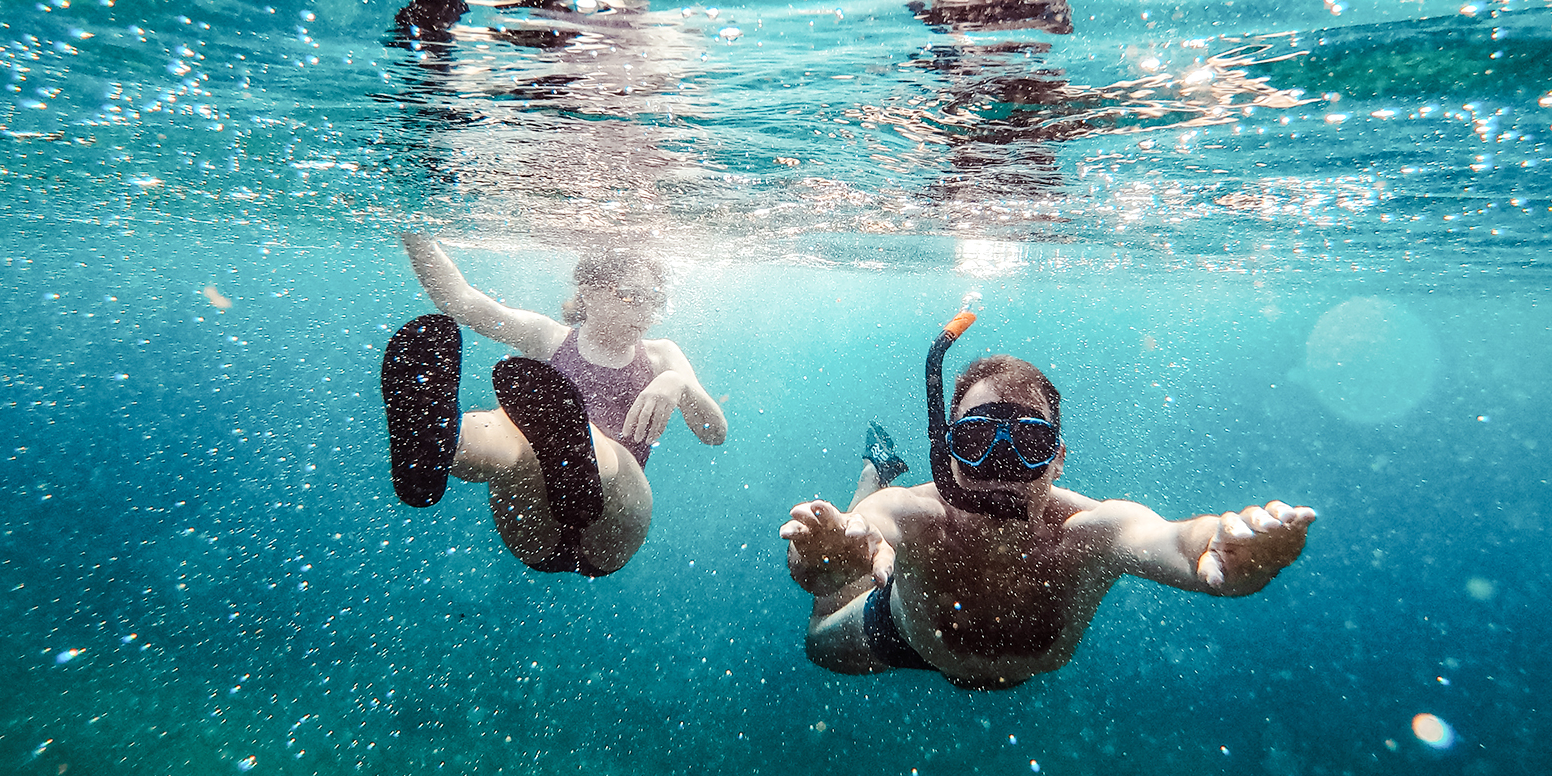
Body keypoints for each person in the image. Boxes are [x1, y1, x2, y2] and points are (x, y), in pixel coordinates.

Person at [780, 311, 1314, 690]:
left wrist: (1219, 547)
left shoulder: (1089, 531)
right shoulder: (915, 518)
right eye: (975, 442)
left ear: (1056, 460)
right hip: (905, 636)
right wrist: (824, 554)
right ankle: (877, 469)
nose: (1002, 468)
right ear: (948, 452)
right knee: (821, 631)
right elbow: (862, 530)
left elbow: (1172, 538)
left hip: (947, 643)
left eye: (1028, 444)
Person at [381, 232, 727, 577]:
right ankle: (444, 441)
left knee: (582, 440)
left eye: (653, 299)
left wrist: (679, 384)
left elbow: (714, 432)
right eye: (630, 296)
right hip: (534, 519)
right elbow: (461, 302)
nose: (645, 311)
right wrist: (415, 234)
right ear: (590, 291)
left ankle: (559, 452)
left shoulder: (661, 355)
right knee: (513, 428)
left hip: (612, 527)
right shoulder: (548, 337)